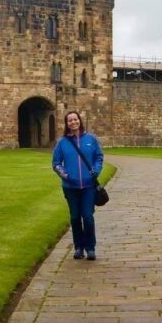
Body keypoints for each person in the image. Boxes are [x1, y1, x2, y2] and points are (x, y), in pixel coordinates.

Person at [52, 110, 104, 260]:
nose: (73, 122)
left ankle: (90, 247)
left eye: (75, 119)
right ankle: (78, 247)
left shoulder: (91, 139)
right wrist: (65, 175)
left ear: (80, 121)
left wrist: (97, 169)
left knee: (87, 217)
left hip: (88, 186)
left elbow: (99, 157)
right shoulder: (62, 142)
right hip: (70, 187)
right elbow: (56, 163)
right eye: (70, 120)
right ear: (67, 124)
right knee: (75, 218)